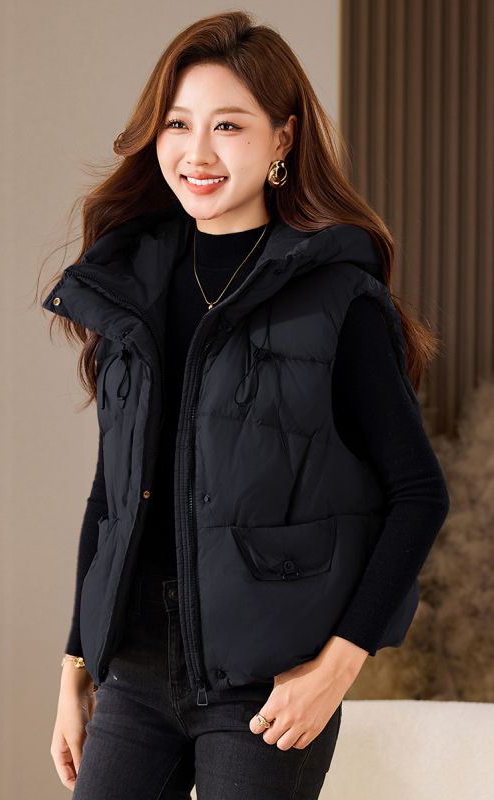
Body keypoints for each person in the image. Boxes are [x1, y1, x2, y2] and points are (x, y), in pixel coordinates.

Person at [42, 10, 450, 799]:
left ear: (281, 139)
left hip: (268, 684)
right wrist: (75, 662)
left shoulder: (335, 296)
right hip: (133, 673)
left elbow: (417, 494)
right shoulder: (132, 289)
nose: (196, 152)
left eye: (227, 125)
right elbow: (111, 497)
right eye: (177, 124)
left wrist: (335, 668)